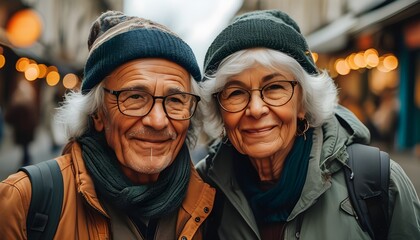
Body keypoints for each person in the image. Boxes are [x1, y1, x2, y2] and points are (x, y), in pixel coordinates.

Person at [196, 9, 420, 239]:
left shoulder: (379, 183)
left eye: (274, 87)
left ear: (303, 103)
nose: (255, 109)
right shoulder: (200, 190)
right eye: (235, 92)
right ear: (218, 110)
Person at [0, 11, 215, 239]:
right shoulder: (23, 201)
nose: (158, 121)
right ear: (97, 113)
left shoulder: (211, 203)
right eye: (135, 97)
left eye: (175, 100)